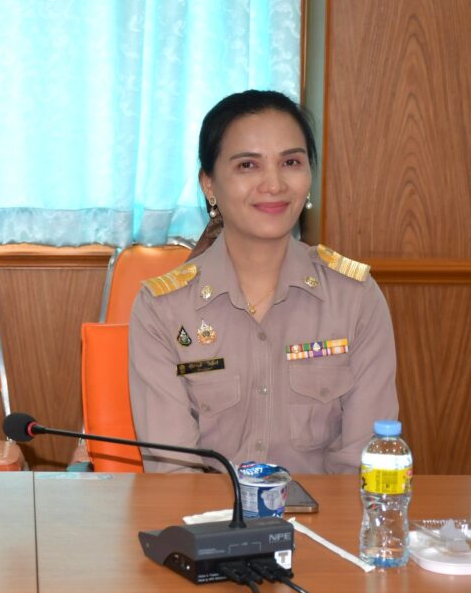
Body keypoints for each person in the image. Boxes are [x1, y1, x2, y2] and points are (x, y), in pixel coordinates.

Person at [128, 90, 398, 474]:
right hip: (209, 512)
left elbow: (363, 464)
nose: (274, 184)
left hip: (326, 512)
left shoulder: (355, 297)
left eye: (290, 162)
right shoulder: (163, 309)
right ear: (209, 184)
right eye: (248, 165)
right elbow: (175, 475)